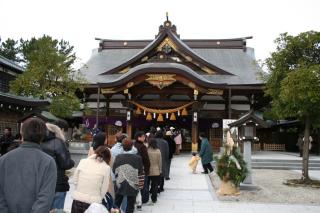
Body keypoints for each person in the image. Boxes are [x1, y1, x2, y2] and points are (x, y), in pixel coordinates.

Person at [0, 118, 57, 213]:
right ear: (43, 135)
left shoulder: (4, 159)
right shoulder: (48, 162)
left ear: (22, 133)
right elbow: (45, 199)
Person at [41, 123, 75, 211]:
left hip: (41, 184)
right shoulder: (58, 142)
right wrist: (72, 162)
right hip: (57, 183)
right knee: (57, 210)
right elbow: (66, 164)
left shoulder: (38, 142)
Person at [72, 145, 111, 213]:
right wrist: (98, 198)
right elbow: (104, 188)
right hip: (93, 203)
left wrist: (80, 189)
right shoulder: (106, 168)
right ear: (108, 157)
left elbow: (74, 180)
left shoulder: (83, 161)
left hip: (77, 199)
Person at [113, 139, 144, 213]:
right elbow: (140, 171)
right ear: (132, 146)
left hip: (120, 182)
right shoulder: (138, 158)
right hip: (133, 183)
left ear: (122, 147)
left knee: (117, 203)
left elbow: (114, 169)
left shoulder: (118, 157)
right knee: (130, 204)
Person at [134, 131, 150, 205]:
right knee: (143, 184)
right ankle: (144, 199)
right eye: (143, 137)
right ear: (138, 138)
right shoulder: (142, 146)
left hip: (134, 168)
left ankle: (135, 199)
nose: (144, 138)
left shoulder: (133, 145)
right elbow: (146, 159)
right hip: (142, 168)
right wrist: (147, 168)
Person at [147, 138, 162, 204]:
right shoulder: (158, 151)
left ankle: (146, 197)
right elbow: (160, 162)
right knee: (154, 185)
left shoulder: (147, 151)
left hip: (148, 170)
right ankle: (154, 198)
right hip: (156, 170)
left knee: (146, 185)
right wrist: (160, 170)